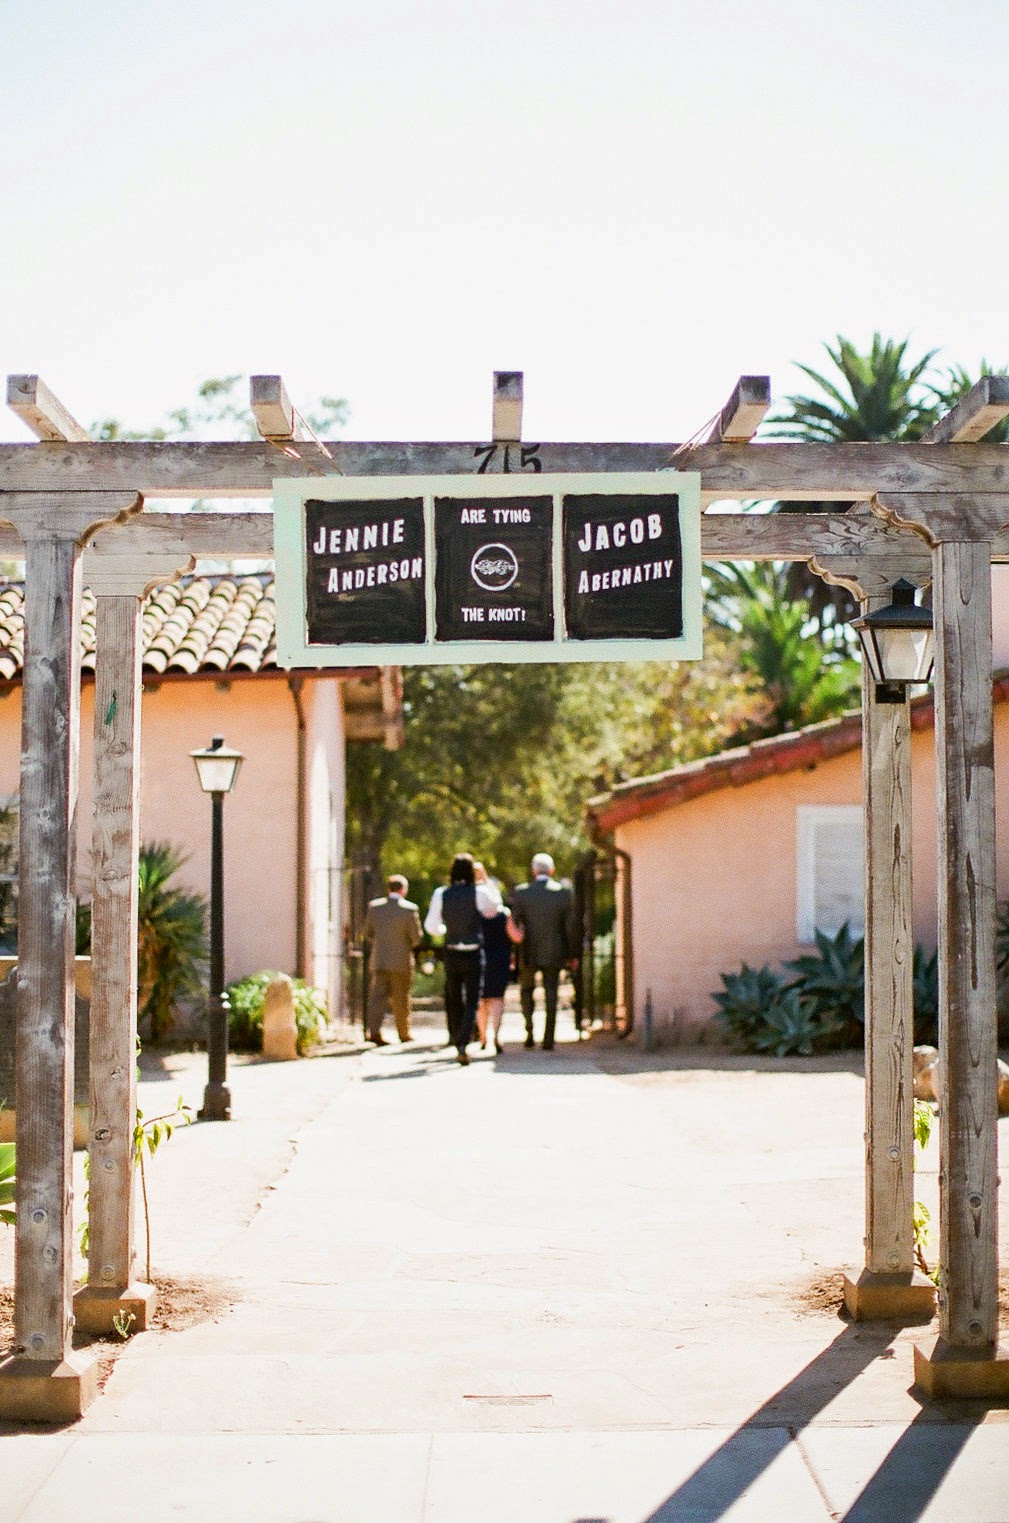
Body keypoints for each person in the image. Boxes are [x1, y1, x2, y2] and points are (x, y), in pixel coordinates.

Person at [425, 853, 502, 1064]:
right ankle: (462, 1042)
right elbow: (495, 909)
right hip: (473, 952)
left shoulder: (442, 894)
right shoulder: (479, 892)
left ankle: (457, 1037)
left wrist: (446, 929)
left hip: (452, 951)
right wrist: (485, 880)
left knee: (454, 996)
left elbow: (431, 926)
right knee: (472, 1001)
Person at [510, 852, 578, 1051]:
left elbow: (514, 925)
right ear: (552, 870)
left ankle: (529, 1031)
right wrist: (572, 954)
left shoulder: (522, 893)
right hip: (554, 952)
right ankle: (549, 1039)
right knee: (551, 994)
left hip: (528, 952)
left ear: (533, 871)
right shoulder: (563, 894)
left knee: (526, 991)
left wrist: (514, 950)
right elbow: (570, 927)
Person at [361, 874, 423, 1045]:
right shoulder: (409, 909)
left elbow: (367, 932)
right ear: (403, 890)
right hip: (401, 961)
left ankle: (373, 1031)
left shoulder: (375, 907)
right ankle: (403, 1033)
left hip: (379, 959)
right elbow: (416, 938)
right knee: (401, 998)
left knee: (376, 998)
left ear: (389, 889)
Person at [473, 862, 522, 1055]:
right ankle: (496, 1036)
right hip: (500, 959)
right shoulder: (503, 914)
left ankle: (483, 1036)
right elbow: (516, 937)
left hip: (480, 957)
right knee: (497, 1000)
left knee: (482, 1001)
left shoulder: (475, 915)